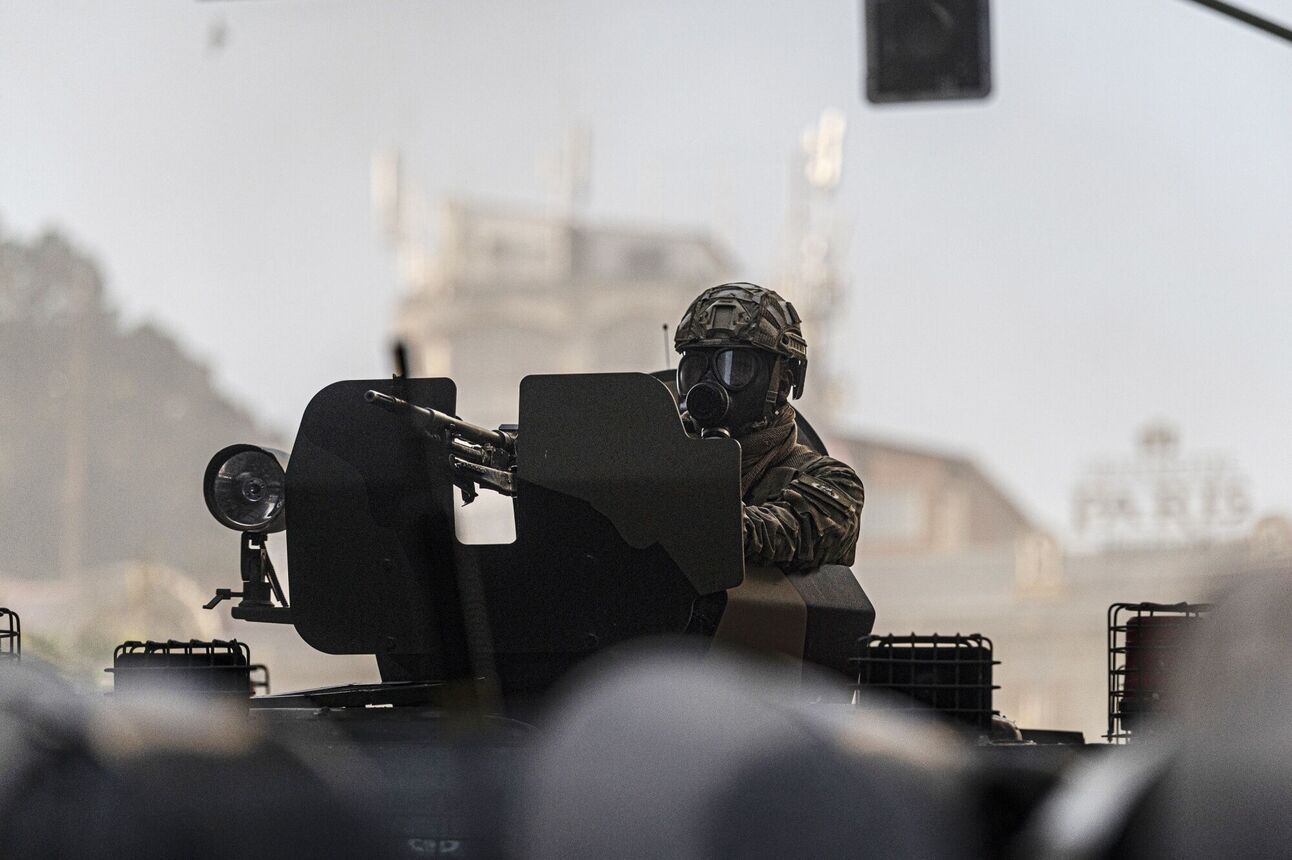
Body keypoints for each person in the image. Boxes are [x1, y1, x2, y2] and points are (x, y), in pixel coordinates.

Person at [674, 283, 863, 572]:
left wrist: (681, 514)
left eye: (735, 367)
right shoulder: (656, 454)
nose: (708, 381)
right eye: (696, 366)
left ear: (783, 382)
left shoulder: (832, 482)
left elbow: (782, 532)